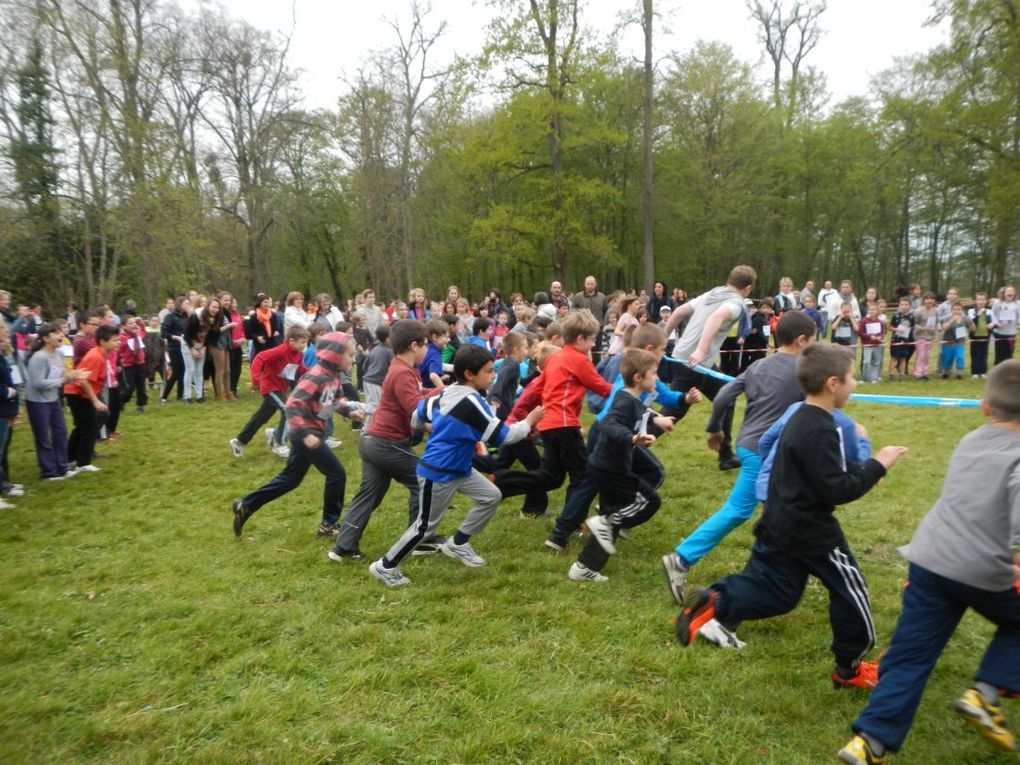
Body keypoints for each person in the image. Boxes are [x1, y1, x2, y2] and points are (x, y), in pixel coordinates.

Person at [674, 344, 908, 693]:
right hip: (812, 532)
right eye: (852, 378)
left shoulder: (796, 418)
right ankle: (850, 667)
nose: (855, 384)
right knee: (851, 592)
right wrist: (878, 463)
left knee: (778, 594)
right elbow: (837, 489)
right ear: (832, 383)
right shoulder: (822, 429)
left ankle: (717, 601)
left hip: (778, 521)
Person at [838, 361, 1020, 765]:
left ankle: (869, 742)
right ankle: (986, 694)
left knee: (910, 653)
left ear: (986, 407)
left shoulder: (971, 440)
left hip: (930, 558)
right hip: (980, 568)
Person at [661, 311, 817, 606]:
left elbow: (722, 396)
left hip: (749, 446)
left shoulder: (758, 365)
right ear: (801, 340)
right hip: (769, 452)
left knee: (761, 511)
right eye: (812, 341)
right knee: (757, 511)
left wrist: (714, 429)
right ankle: (685, 559)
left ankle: (773, 571)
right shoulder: (803, 371)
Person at [368, 345, 544, 586]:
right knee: (424, 527)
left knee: (491, 495)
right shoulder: (470, 401)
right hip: (438, 472)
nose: (493, 375)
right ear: (470, 374)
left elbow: (417, 416)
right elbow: (503, 437)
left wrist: (440, 428)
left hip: (459, 468)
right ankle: (385, 566)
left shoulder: (447, 392)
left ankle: (458, 543)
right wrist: (529, 421)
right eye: (489, 371)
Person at [493, 311, 614, 551]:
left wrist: (520, 417)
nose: (593, 345)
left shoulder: (555, 358)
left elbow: (535, 388)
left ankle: (502, 481)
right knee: (582, 476)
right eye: (591, 340)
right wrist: (631, 390)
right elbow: (602, 388)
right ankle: (569, 526)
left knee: (551, 477)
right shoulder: (578, 360)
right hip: (564, 426)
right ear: (580, 339)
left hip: (549, 426)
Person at [327, 320, 444, 559]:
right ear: (414, 346)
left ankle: (343, 546)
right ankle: (420, 539)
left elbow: (414, 395)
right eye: (425, 346)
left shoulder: (402, 368)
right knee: (424, 480)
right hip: (385, 443)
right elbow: (415, 408)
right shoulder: (402, 371)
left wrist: (440, 391)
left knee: (369, 493)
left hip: (372, 441)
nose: (427, 350)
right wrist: (441, 410)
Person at [231, 332, 364, 539]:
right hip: (305, 434)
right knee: (337, 474)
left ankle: (246, 505)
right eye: (350, 355)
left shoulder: (334, 377)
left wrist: (349, 411)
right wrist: (306, 434)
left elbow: (334, 401)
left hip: (311, 433)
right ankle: (328, 525)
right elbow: (292, 405)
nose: (353, 359)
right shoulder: (316, 376)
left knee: (290, 479)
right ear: (335, 356)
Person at [568, 348, 674, 582]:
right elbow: (609, 422)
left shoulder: (631, 398)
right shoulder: (624, 402)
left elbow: (643, 410)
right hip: (611, 468)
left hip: (607, 465)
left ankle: (584, 567)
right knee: (649, 502)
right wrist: (631, 438)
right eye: (654, 374)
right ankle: (604, 523)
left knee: (613, 512)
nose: (657, 378)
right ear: (638, 377)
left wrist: (659, 419)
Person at [662, 265, 757, 471]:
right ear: (747, 288)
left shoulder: (713, 293)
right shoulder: (736, 303)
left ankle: (725, 455)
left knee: (727, 396)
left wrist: (663, 335)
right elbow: (715, 318)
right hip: (693, 363)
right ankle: (630, 442)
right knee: (672, 412)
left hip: (697, 362)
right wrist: (700, 351)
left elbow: (679, 312)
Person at [229, 325, 309, 459]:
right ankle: (280, 444)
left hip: (280, 389)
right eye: (302, 342)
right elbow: (260, 357)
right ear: (291, 341)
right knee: (288, 410)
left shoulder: (299, 354)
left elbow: (300, 369)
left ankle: (239, 441)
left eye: (305, 342)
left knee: (260, 417)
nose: (304, 345)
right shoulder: (281, 350)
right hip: (270, 387)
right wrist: (256, 378)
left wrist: (314, 373)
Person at [25, 322, 82, 481]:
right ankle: (48, 472)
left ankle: (62, 468)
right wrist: (61, 381)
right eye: (56, 333)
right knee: (43, 436)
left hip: (53, 399)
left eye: (60, 332)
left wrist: (73, 376)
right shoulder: (39, 357)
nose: (61, 335)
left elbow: (62, 375)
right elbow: (37, 383)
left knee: (60, 432)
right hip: (37, 401)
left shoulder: (59, 354)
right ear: (45, 338)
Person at [65, 325, 118, 473]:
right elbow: (83, 381)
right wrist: (95, 401)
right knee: (88, 426)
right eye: (114, 340)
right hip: (77, 394)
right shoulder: (96, 357)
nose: (118, 343)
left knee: (84, 426)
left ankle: (71, 458)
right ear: (102, 342)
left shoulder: (102, 355)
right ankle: (82, 462)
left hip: (81, 393)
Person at [0, 322, 20, 508]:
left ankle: (4, 483)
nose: (6, 331)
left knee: (3, 449)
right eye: (1, 327)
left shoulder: (5, 353)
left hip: (7, 408)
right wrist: (8, 393)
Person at [161, 296, 190, 403]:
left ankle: (180, 395)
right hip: (174, 347)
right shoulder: (170, 316)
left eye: (189, 304)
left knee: (183, 371)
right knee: (177, 372)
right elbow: (164, 333)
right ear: (180, 304)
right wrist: (175, 337)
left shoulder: (187, 317)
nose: (188, 306)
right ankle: (164, 396)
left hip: (185, 347)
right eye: (186, 303)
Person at [118, 316, 148, 412]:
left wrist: (141, 323)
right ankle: (121, 401)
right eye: (130, 323)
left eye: (134, 323)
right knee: (129, 387)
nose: (134, 324)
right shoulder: (122, 337)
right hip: (128, 365)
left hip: (140, 363)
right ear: (124, 326)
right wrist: (127, 342)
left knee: (141, 385)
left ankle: (140, 405)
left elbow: (143, 332)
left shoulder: (138, 333)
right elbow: (119, 349)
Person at [939, 302, 974, 380]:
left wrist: (972, 322)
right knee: (947, 359)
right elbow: (944, 328)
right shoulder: (947, 318)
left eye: (959, 309)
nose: (957, 311)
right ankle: (946, 372)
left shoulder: (965, 318)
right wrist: (951, 321)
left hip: (959, 343)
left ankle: (959, 373)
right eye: (955, 309)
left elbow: (972, 329)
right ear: (951, 310)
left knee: (960, 357)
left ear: (962, 310)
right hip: (948, 343)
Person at [245, 293, 283, 360]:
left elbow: (276, 328)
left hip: (272, 344)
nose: (267, 304)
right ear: (259, 303)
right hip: (260, 346)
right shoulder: (254, 317)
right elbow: (248, 334)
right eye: (265, 302)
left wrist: (276, 331)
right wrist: (257, 337)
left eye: (268, 302)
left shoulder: (273, 315)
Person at [912, 292, 938, 380]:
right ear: (924, 301)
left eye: (931, 299)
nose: (929, 301)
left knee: (927, 356)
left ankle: (924, 372)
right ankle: (918, 373)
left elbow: (937, 322)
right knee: (921, 355)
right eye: (927, 299)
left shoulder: (935, 311)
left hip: (930, 337)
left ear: (934, 301)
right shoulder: (918, 311)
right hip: (920, 336)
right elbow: (913, 324)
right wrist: (922, 328)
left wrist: (939, 327)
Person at [858, 303, 886, 384]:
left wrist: (880, 337)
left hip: (877, 345)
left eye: (874, 309)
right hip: (867, 344)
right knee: (866, 361)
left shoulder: (879, 321)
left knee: (876, 361)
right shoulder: (864, 321)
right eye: (870, 309)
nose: (872, 311)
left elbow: (881, 333)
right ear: (868, 310)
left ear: (877, 311)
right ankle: (864, 377)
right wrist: (870, 336)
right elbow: (860, 333)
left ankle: (874, 378)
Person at [990, 285, 1018, 365]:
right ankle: (998, 372)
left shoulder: (1017, 303)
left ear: (1014, 293)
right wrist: (996, 323)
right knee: (999, 354)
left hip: (1011, 333)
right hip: (999, 333)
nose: (1010, 293)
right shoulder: (997, 303)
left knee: (1009, 353)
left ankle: (1007, 372)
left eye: (1012, 291)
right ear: (1004, 293)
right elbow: (993, 314)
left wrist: (1018, 323)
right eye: (1008, 291)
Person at [888, 297, 915, 381]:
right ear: (899, 305)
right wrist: (896, 329)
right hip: (896, 340)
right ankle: (891, 375)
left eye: (906, 304)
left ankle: (901, 375)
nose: (904, 306)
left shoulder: (912, 316)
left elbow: (913, 327)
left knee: (903, 358)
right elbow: (889, 327)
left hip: (906, 340)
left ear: (910, 306)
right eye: (902, 304)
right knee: (894, 357)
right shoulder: (896, 315)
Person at [968, 291, 993, 379]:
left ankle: (983, 372)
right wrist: (978, 314)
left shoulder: (990, 312)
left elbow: (992, 323)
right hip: (975, 338)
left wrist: (991, 325)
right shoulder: (971, 311)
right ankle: (974, 372)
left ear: (986, 301)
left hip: (985, 337)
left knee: (984, 355)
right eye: (978, 300)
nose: (980, 302)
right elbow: (971, 322)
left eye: (983, 300)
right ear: (975, 301)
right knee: (975, 355)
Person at [418, 319, 449, 389]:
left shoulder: (426, 348)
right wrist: (444, 390)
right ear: (434, 337)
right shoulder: (435, 353)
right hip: (426, 389)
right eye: (446, 337)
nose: (448, 340)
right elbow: (433, 376)